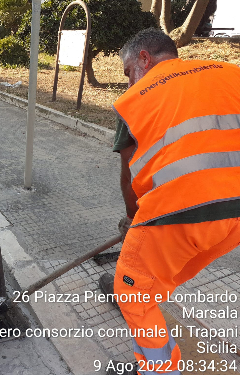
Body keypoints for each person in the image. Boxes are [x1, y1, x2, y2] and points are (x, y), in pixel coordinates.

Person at [99, 28, 240, 375]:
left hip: (181, 212)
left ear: (144, 58)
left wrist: (133, 220)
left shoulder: (138, 99)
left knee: (131, 289)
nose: (129, 83)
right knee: (156, 281)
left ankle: (159, 370)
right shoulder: (229, 74)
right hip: (235, 218)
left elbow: (130, 176)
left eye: (128, 72)